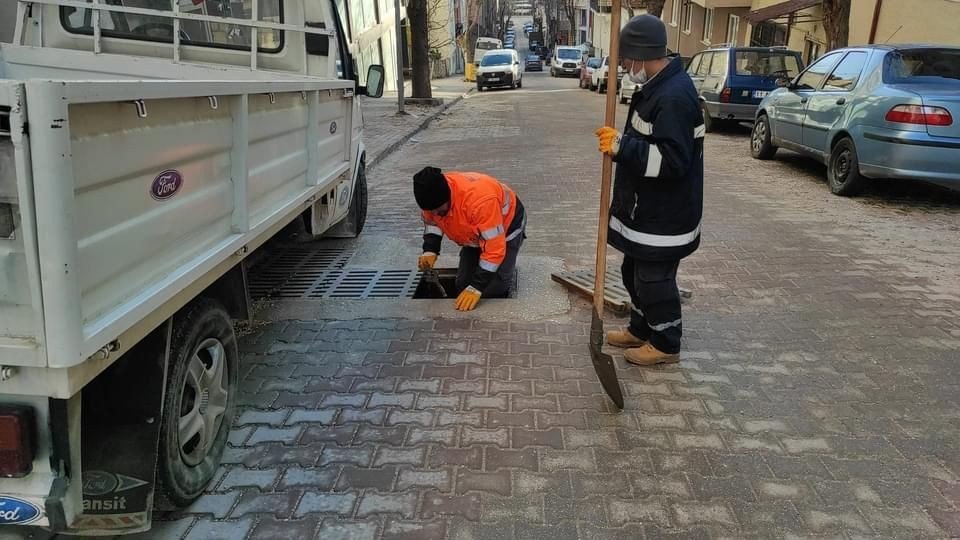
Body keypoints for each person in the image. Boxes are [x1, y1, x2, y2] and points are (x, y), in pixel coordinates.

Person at [593, 14, 704, 366]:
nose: (625, 68)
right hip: (646, 211)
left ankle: (666, 343)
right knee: (632, 274)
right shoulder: (656, 87)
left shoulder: (674, 97)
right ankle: (642, 329)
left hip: (666, 215)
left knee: (654, 281)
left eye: (627, 61)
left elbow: (673, 162)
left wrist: (623, 147)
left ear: (642, 55)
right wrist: (622, 146)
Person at [414, 167, 526, 311]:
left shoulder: (479, 202)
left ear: (448, 197)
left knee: (493, 289)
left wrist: (477, 287)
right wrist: (430, 250)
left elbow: (494, 249)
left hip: (506, 227)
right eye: (431, 211)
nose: (435, 214)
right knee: (463, 284)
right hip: (473, 234)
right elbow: (432, 223)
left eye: (440, 211)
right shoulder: (430, 196)